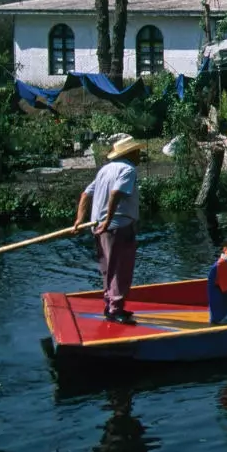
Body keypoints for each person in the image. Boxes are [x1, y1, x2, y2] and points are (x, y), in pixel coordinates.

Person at [74, 134, 144, 324]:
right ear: (130, 153)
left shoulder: (105, 169)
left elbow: (86, 194)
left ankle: (110, 305)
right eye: (137, 151)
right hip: (117, 226)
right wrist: (108, 220)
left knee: (108, 268)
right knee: (121, 268)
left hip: (100, 227)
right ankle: (116, 309)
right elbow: (116, 193)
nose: (140, 155)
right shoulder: (128, 169)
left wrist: (80, 220)